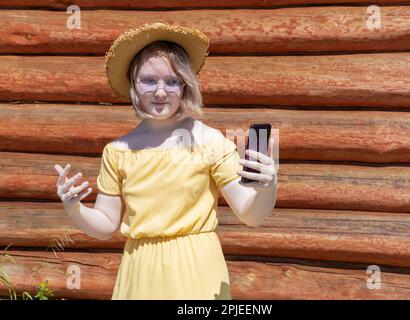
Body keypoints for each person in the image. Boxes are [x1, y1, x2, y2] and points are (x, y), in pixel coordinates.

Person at [54, 22, 277, 300]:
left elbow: (251, 214)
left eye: (172, 81)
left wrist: (268, 187)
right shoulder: (118, 150)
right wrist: (75, 209)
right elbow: (106, 225)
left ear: (186, 86)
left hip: (197, 272)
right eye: (149, 80)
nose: (161, 92)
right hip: (140, 273)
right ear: (133, 83)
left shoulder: (209, 141)